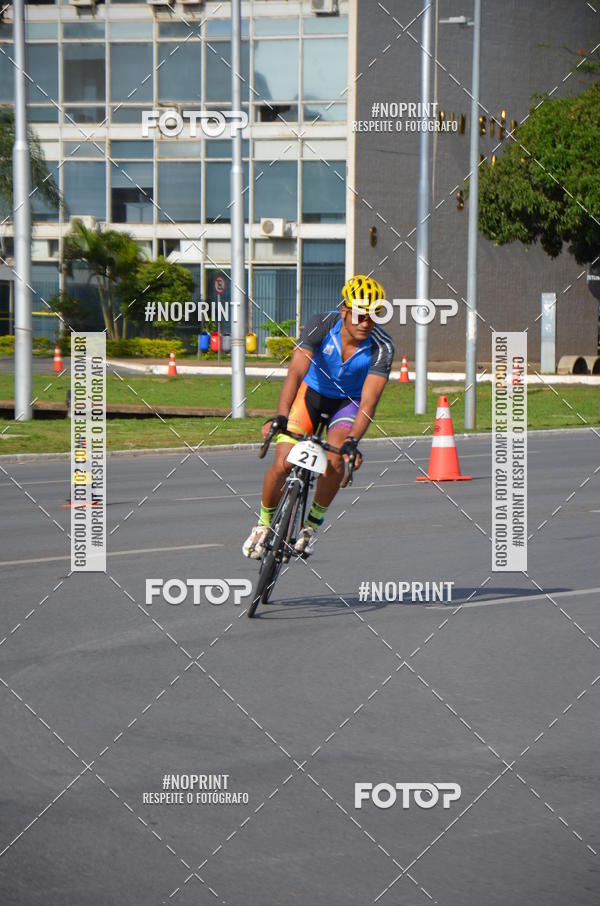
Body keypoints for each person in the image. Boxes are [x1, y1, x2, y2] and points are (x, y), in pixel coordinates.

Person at [242, 274, 395, 560]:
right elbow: (296, 372)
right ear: (345, 311)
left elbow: (370, 401)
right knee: (282, 461)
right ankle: (263, 525)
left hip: (347, 404)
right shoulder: (321, 324)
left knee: (336, 459)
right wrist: (281, 416)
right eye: (361, 315)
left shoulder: (381, 346)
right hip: (311, 395)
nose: (366, 323)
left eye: (374, 316)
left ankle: (310, 526)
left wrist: (352, 441)